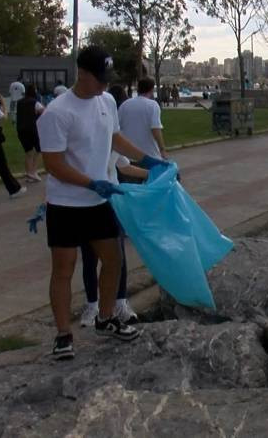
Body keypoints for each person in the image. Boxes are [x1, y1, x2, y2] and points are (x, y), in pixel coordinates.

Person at [36, 45, 169, 360]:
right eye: (99, 79)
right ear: (81, 74)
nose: (105, 86)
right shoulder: (57, 112)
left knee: (113, 260)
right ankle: (63, 335)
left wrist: (148, 160)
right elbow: (53, 164)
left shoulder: (107, 101)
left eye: (107, 80)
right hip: (66, 204)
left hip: (99, 202)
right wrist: (90, 182)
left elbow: (115, 138)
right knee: (63, 269)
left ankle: (106, 317)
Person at [79, 151, 148, 327]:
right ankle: (92, 305)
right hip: (87, 204)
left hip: (113, 204)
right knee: (90, 256)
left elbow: (124, 166)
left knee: (118, 256)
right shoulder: (84, 141)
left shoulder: (112, 137)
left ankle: (120, 302)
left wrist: (152, 172)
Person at [119, 78, 167, 160]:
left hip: (127, 155)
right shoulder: (153, 105)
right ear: (152, 90)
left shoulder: (125, 104)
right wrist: (162, 149)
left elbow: (118, 128)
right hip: (149, 155)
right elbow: (155, 129)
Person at [16, 84, 45, 182]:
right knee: (39, 150)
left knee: (28, 152)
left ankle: (29, 174)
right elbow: (44, 112)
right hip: (32, 129)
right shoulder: (35, 102)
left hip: (21, 129)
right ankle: (34, 171)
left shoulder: (19, 102)